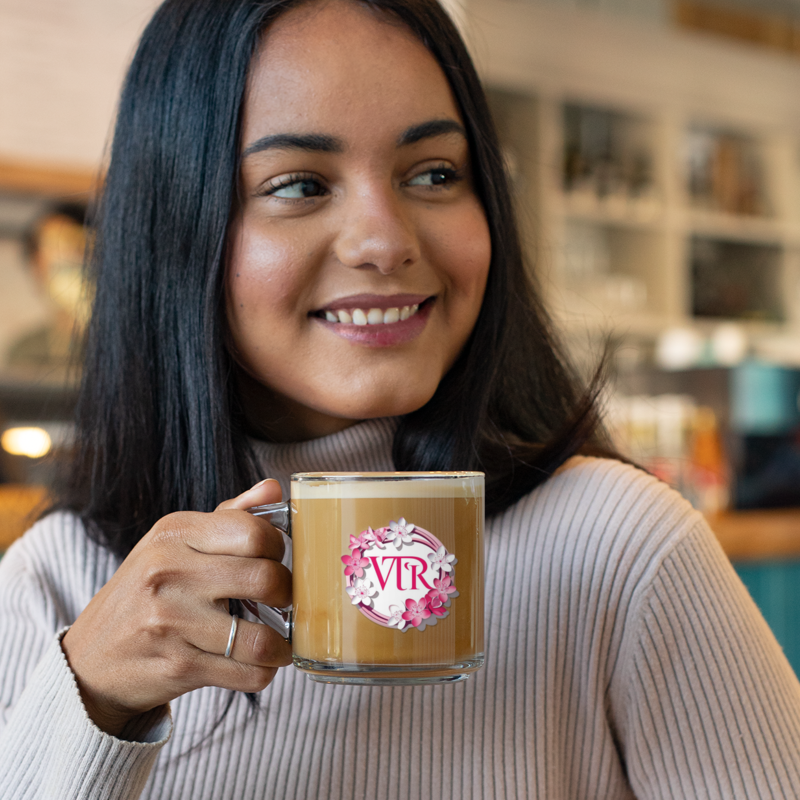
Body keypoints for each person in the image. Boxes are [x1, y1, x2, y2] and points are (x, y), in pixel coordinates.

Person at [0, 0, 798, 797]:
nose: (386, 240)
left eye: (435, 173)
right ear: (175, 226)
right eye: (299, 184)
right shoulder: (60, 581)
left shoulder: (621, 546)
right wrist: (92, 698)